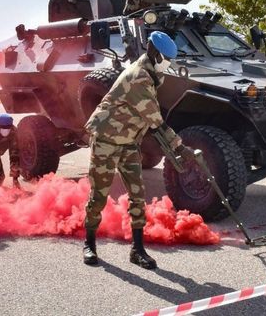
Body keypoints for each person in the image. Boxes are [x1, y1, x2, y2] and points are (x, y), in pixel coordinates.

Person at [82, 31, 194, 269]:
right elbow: (155, 120)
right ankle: (89, 244)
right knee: (99, 195)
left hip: (129, 141)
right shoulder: (139, 77)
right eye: (166, 58)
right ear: (154, 53)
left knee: (137, 194)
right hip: (107, 139)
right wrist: (179, 147)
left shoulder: (152, 73)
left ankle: (137, 250)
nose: (168, 64)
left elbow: (151, 121)